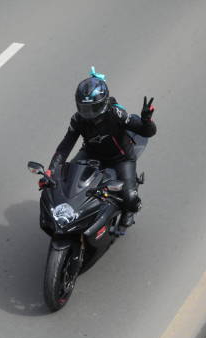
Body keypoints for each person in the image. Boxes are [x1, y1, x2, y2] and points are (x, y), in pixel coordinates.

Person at [48, 67, 157, 227]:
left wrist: (146, 120)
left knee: (130, 199)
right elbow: (66, 145)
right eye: (85, 108)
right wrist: (51, 170)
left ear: (104, 103)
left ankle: (128, 212)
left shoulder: (115, 114)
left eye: (93, 108)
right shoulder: (78, 119)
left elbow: (147, 132)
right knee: (65, 182)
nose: (89, 114)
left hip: (121, 158)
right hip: (90, 154)